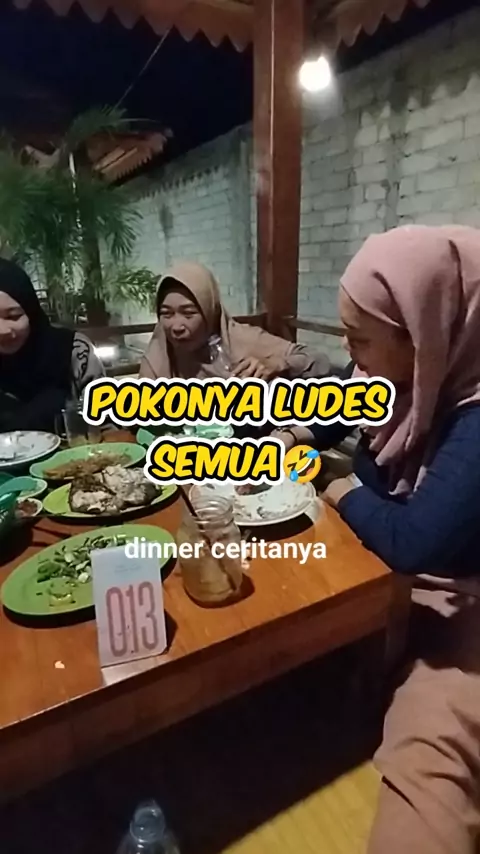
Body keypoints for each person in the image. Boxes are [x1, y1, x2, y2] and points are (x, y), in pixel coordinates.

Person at [280, 225, 480, 853]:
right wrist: (293, 436)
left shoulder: (473, 414)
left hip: (458, 600)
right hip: (383, 575)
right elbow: (329, 410)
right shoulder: (401, 377)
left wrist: (333, 483)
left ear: (422, 333)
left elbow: (415, 541)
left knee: (430, 741)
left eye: (361, 338)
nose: (348, 352)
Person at [139, 261, 330, 381]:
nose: (176, 327)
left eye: (188, 314)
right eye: (166, 314)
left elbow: (320, 361)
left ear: (210, 312)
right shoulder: (161, 351)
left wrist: (278, 364)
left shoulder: (243, 340)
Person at [0, 258, 104, 433]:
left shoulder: (74, 351)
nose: (3, 331)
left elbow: (106, 421)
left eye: (13, 316)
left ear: (32, 312)